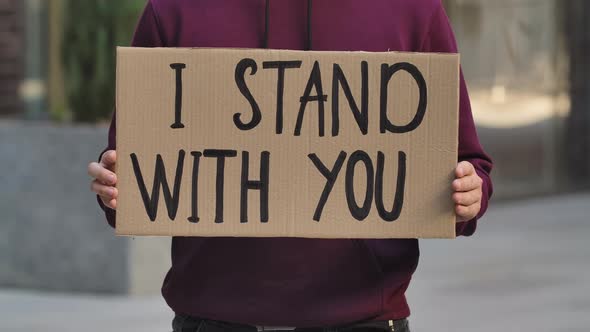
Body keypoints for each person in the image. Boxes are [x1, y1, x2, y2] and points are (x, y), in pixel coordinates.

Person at [88, 0, 493, 331]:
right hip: (213, 319)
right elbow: (130, 167)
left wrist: (468, 192)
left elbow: (465, 161)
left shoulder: (413, 9)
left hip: (361, 319)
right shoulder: (174, 9)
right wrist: (116, 188)